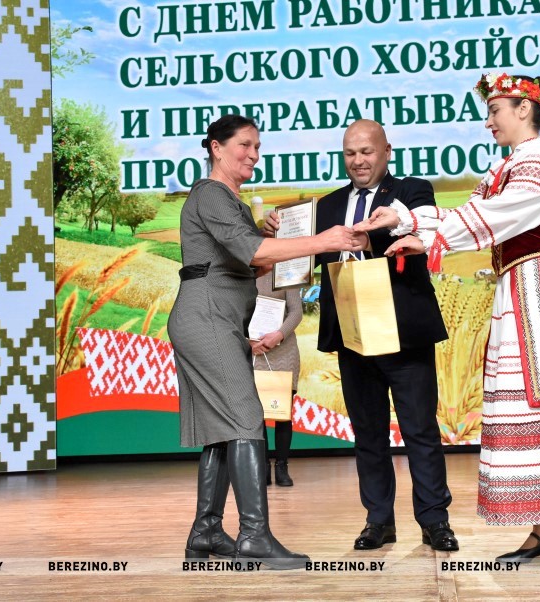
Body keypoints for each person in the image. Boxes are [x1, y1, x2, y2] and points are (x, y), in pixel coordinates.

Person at [356, 74, 540, 567]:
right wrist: (406, 220)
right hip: (521, 288)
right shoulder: (512, 164)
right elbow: (480, 210)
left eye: (495, 110)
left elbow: (501, 216)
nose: (488, 120)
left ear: (524, 109)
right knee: (529, 405)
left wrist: (427, 237)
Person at [169, 114, 364, 570]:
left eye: (258, 147)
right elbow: (255, 254)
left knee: (222, 428)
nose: (254, 155)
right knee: (245, 418)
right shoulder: (211, 193)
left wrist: (276, 237)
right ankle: (254, 537)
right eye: (245, 145)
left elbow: (254, 263)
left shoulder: (232, 202)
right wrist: (322, 240)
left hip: (216, 316)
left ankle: (206, 531)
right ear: (216, 148)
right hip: (207, 316)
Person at [264, 120, 458, 552]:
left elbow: (418, 233)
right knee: (368, 434)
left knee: (420, 431)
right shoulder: (328, 205)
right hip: (352, 335)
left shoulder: (413, 193)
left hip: (404, 333)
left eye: (367, 151)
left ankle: (434, 521)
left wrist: (367, 237)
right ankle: (378, 521)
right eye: (350, 153)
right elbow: (299, 255)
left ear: (387, 151)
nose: (358, 161)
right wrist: (276, 229)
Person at [251, 271, 301, 487]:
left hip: (284, 350)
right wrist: (249, 342)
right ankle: (262, 466)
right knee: (257, 414)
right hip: (253, 350)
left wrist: (278, 335)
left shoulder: (285, 273)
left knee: (282, 414)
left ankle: (282, 466)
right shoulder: (242, 273)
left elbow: (296, 312)